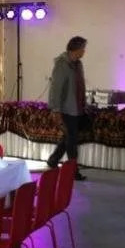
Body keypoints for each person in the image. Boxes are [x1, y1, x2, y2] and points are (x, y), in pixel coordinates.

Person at [46, 36, 88, 180]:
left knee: (69, 137)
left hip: (77, 108)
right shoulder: (62, 65)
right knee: (72, 141)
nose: (84, 51)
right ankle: (72, 171)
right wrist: (55, 109)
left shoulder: (78, 64)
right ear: (75, 49)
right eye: (82, 49)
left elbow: (81, 85)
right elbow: (56, 88)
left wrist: (84, 103)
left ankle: (53, 160)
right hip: (66, 109)